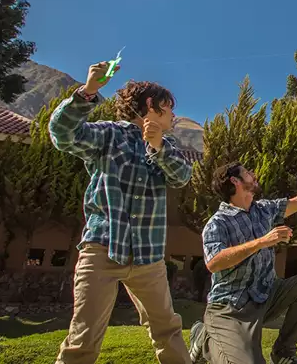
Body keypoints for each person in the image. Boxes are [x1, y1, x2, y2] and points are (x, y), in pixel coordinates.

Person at [49, 61, 193, 364]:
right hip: (103, 249)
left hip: (148, 258)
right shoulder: (109, 136)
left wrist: (158, 148)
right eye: (169, 107)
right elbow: (62, 134)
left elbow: (181, 177)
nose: (174, 114)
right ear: (151, 105)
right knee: (83, 337)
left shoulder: (168, 146)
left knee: (168, 330)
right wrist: (88, 91)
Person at [189, 158, 297, 364]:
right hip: (230, 308)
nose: (253, 174)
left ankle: (284, 352)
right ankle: (204, 337)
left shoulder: (264, 209)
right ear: (235, 181)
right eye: (248, 172)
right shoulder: (218, 223)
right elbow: (214, 262)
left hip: (266, 296)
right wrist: (261, 242)